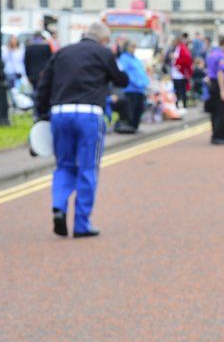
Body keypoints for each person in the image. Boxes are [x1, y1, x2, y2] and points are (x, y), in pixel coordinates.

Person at [35, 22, 129, 238]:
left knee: (64, 166)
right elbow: (122, 80)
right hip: (89, 114)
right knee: (88, 168)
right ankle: (81, 224)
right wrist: (116, 56)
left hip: (60, 113)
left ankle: (59, 206)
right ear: (103, 39)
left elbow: (44, 85)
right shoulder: (103, 53)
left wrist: (41, 113)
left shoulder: (62, 53)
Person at [116, 41, 149, 133]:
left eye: (135, 46)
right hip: (131, 88)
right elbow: (124, 73)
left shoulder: (136, 59)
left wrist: (145, 82)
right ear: (127, 47)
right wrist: (135, 82)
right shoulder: (124, 58)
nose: (134, 48)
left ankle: (135, 126)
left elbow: (142, 72)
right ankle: (129, 127)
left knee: (139, 108)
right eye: (132, 46)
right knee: (131, 109)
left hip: (140, 89)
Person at [170, 33, 193, 109]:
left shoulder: (182, 48)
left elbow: (187, 60)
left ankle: (183, 104)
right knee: (177, 90)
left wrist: (176, 60)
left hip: (180, 74)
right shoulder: (177, 48)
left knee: (182, 90)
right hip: (175, 73)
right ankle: (178, 104)